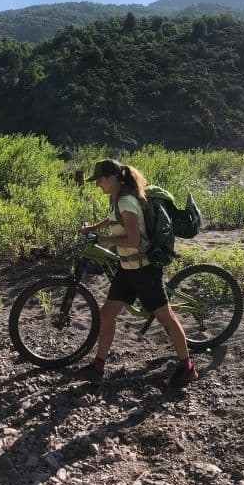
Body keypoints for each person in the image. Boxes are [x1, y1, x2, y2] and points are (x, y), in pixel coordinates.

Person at [77, 158, 198, 387]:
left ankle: (188, 367)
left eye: (99, 180)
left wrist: (106, 240)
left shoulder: (127, 202)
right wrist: (95, 228)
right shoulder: (117, 198)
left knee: (166, 319)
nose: (97, 185)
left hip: (143, 270)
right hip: (127, 268)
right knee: (107, 313)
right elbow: (114, 219)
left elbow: (133, 240)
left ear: (112, 178)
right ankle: (98, 367)